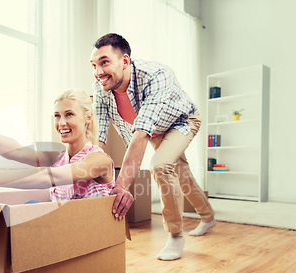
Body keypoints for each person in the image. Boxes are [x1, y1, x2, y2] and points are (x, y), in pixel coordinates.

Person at [90, 33, 216, 261]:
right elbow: (100, 131)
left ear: (125, 61)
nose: (98, 72)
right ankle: (208, 217)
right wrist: (91, 168)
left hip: (182, 121)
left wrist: (121, 187)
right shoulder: (101, 86)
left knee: (160, 165)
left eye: (105, 62)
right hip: (157, 130)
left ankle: (175, 235)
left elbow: (141, 134)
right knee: (182, 176)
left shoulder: (156, 75)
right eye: (94, 65)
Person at [0, 89, 115, 202]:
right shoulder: (58, 156)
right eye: (57, 116)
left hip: (78, 231)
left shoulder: (99, 160)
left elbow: (47, 178)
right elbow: (16, 151)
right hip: (57, 226)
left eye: (69, 114)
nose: (61, 123)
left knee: (31, 207)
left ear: (88, 117)